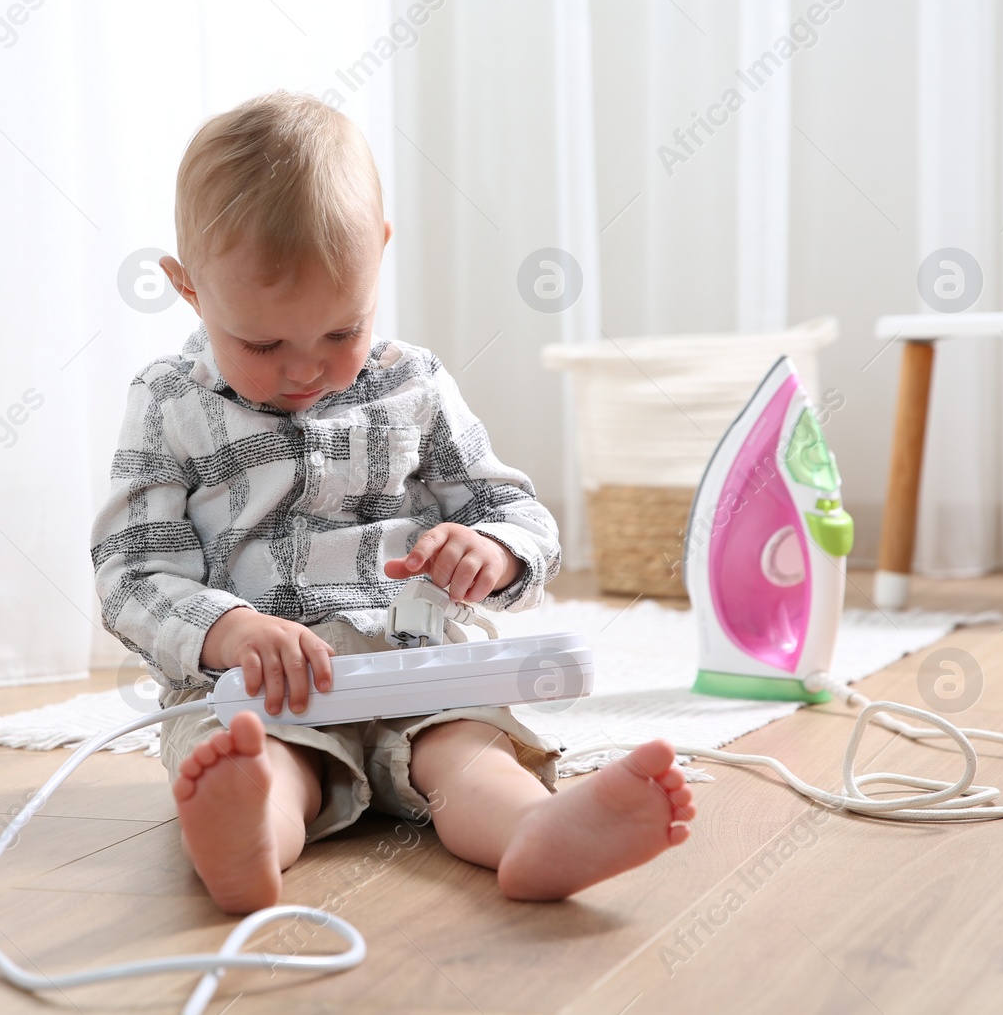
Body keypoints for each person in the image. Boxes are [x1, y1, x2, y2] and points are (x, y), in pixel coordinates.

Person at [91, 92, 694, 914]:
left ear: (379, 252)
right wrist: (226, 630)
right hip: (270, 689)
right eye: (263, 344)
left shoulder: (413, 382)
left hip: (423, 665)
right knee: (264, 761)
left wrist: (495, 550)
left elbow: (517, 512)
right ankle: (248, 835)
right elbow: (133, 572)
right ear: (189, 289)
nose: (306, 369)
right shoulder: (168, 402)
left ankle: (535, 833)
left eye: (342, 332)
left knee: (469, 752)